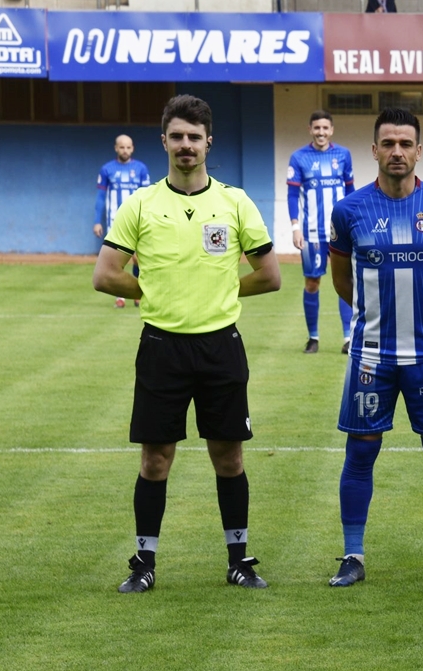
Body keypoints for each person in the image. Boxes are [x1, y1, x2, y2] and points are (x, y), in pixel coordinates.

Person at [93, 94, 282, 593]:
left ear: (208, 142)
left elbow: (269, 275)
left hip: (221, 347)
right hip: (162, 348)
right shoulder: (141, 204)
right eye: (177, 136)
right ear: (164, 142)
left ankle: (239, 561)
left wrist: (218, 290)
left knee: (230, 457)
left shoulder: (235, 202)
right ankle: (144, 563)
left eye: (194, 137)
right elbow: (106, 275)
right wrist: (150, 292)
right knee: (155, 458)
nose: (185, 145)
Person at [325, 108, 423, 588]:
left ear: (418, 150)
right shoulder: (349, 211)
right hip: (371, 358)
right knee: (361, 452)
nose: (396, 152)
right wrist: (378, 319)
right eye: (387, 143)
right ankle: (353, 556)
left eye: (405, 144)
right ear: (373, 150)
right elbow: (341, 280)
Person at [288, 110, 355, 354]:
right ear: (310, 130)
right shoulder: (298, 158)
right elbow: (293, 194)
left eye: (325, 128)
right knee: (312, 282)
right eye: (317, 128)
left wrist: (353, 224)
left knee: (344, 282)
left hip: (340, 232)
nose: (321, 133)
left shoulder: (343, 155)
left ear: (331, 130)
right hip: (312, 233)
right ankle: (313, 338)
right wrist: (295, 227)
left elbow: (351, 192)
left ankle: (348, 338)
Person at [94, 135, 150, 308]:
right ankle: (120, 297)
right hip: (114, 222)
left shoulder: (141, 169)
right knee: (116, 261)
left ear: (132, 148)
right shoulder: (107, 169)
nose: (125, 150)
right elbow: (101, 196)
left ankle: (137, 293)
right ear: (116, 148)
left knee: (138, 258)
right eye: (122, 147)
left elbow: (147, 196)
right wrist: (97, 221)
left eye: (128, 147)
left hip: (138, 221)